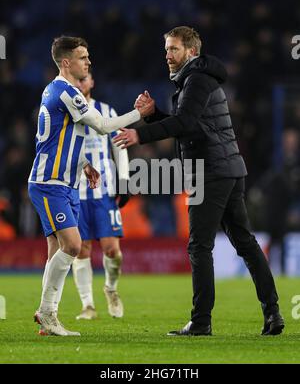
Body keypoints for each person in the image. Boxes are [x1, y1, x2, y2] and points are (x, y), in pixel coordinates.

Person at [114, 26, 285, 336]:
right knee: (245, 243)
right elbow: (192, 126)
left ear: (191, 52)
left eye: (174, 49)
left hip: (210, 173)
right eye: (166, 49)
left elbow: (185, 122)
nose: (168, 55)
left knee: (199, 246)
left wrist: (140, 132)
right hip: (229, 170)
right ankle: (273, 313)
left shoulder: (196, 80)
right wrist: (153, 115)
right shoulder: (198, 80)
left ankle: (201, 321)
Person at [28, 36, 148, 336]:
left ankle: (48, 318)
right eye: (83, 57)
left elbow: (59, 136)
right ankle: (47, 311)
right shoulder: (67, 92)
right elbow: (105, 127)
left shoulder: (52, 89)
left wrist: (84, 164)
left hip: (66, 183)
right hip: (49, 183)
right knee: (73, 245)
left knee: (57, 249)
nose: (88, 62)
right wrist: (139, 114)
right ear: (66, 62)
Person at [73, 72, 129, 320]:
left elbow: (120, 146)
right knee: (81, 249)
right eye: (77, 79)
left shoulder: (106, 110)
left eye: (84, 79)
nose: (80, 83)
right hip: (75, 191)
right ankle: (88, 305)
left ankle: (111, 289)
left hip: (104, 191)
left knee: (111, 249)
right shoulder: (66, 112)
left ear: (92, 82)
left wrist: (125, 181)